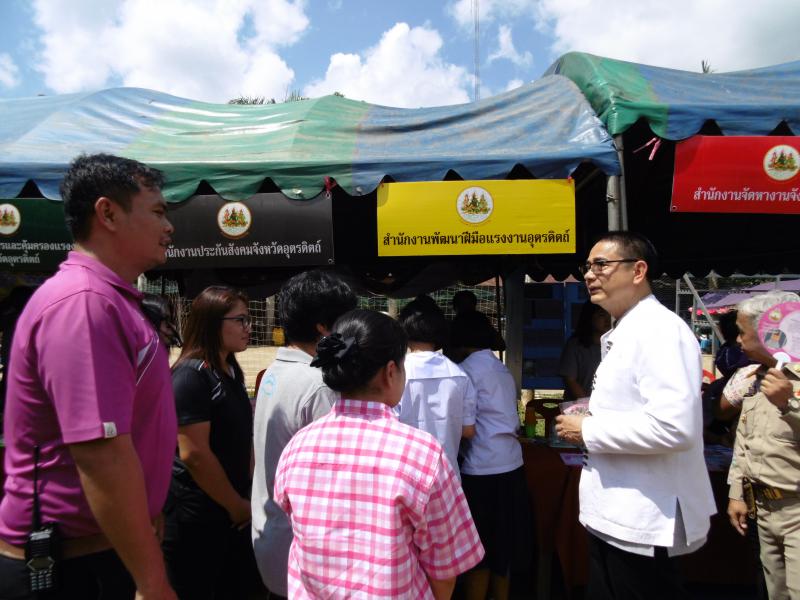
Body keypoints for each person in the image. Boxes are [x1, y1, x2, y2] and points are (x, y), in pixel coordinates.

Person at [0, 153, 177, 599]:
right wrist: (152, 581)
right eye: (158, 211)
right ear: (108, 214)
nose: (169, 226)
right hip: (72, 568)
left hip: (104, 551)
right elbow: (102, 456)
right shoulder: (84, 303)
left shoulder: (111, 300)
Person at [274, 309, 484, 598]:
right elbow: (445, 568)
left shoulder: (297, 447)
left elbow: (296, 525)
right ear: (390, 372)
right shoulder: (422, 455)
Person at [555, 231, 715, 600]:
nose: (590, 275)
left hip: (643, 514)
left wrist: (588, 430)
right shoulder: (629, 329)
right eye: (587, 266)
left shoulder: (659, 331)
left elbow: (674, 428)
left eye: (601, 265)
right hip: (619, 512)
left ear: (638, 271)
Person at [251, 270, 357, 599]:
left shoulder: (276, 371)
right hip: (303, 552)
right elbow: (336, 478)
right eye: (346, 321)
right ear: (324, 327)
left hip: (271, 533)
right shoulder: (318, 385)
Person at [162, 285, 260, 599]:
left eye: (248, 319)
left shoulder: (230, 370)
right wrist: (236, 506)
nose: (248, 327)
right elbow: (194, 454)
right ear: (212, 323)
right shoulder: (191, 377)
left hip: (232, 514)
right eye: (240, 320)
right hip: (199, 517)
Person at [450, 309, 530, 600]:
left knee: (479, 548)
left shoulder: (465, 371)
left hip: (481, 467)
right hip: (511, 462)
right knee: (503, 545)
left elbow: (466, 428)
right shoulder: (500, 367)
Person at [726, 290, 800, 600]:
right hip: (765, 510)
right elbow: (744, 441)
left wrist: (788, 405)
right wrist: (736, 492)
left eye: (742, 332)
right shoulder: (754, 378)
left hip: (796, 509)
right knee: (775, 592)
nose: (738, 340)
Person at [395, 296, 476, 475]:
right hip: (448, 475)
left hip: (408, 473)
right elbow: (468, 430)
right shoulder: (459, 373)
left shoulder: (396, 373)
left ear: (404, 330)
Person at [558, 301, 611, 402]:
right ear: (590, 318)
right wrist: (587, 404)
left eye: (609, 314)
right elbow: (570, 380)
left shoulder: (616, 344)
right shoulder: (575, 345)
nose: (607, 319)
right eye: (601, 315)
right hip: (579, 406)